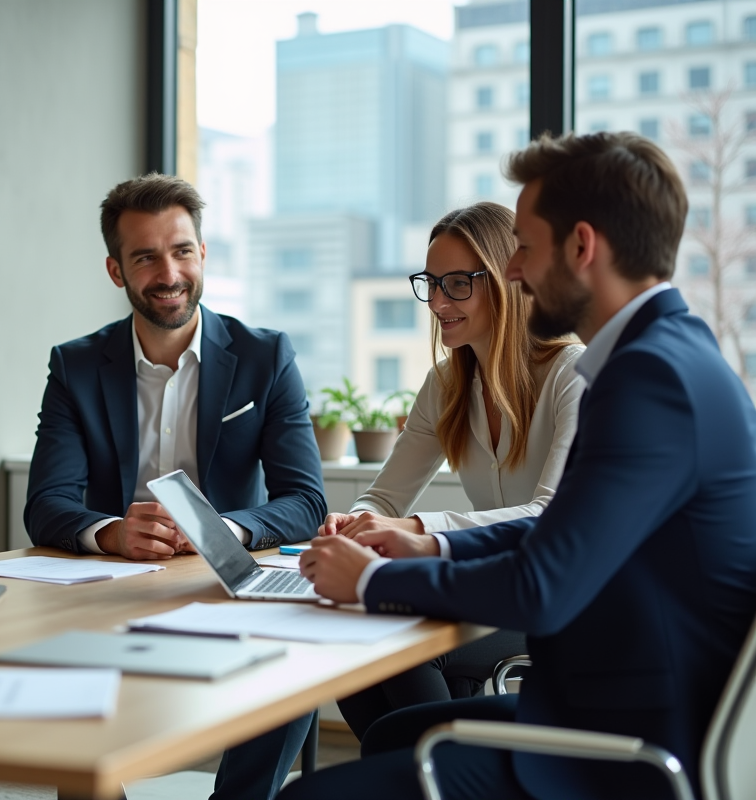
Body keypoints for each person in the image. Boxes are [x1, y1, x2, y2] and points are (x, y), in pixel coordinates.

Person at [286, 132, 756, 800]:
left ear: (582, 247)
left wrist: (376, 580)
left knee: (307, 796)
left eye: (525, 248)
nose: (515, 272)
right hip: (614, 708)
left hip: (628, 748)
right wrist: (424, 543)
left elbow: (543, 585)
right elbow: (560, 527)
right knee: (395, 736)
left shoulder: (646, 379)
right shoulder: (668, 356)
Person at [24, 173, 327, 800]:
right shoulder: (76, 366)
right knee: (56, 666)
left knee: (299, 656)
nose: (169, 272)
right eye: (146, 257)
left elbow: (306, 500)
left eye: (182, 250)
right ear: (116, 270)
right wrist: (109, 532)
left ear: (203, 254)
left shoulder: (266, 356)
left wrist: (226, 531)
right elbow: (47, 505)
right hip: (109, 590)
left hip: (219, 583)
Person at [321, 202, 585, 740]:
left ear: (507, 279)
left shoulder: (571, 374)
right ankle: (416, 775)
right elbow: (385, 498)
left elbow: (548, 515)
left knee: (407, 652)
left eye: (458, 283)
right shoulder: (446, 384)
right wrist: (353, 522)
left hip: (553, 598)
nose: (438, 301)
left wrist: (415, 530)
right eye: (432, 282)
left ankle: (439, 771)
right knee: (350, 642)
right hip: (481, 587)